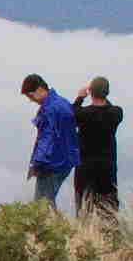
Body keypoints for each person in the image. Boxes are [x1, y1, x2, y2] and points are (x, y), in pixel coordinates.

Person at [21, 74, 78, 209]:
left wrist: (36, 164)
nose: (32, 100)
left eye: (31, 96)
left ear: (40, 89)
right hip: (65, 160)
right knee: (46, 202)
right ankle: (59, 228)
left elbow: (47, 139)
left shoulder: (50, 109)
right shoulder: (62, 102)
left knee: (41, 205)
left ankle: (58, 230)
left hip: (53, 162)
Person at [72, 76, 123, 220]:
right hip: (107, 169)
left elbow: (71, 113)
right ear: (107, 93)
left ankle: (85, 239)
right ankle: (110, 240)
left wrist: (80, 97)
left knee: (83, 212)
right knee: (109, 212)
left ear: (91, 92)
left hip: (85, 170)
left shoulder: (82, 114)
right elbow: (109, 107)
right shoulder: (116, 113)